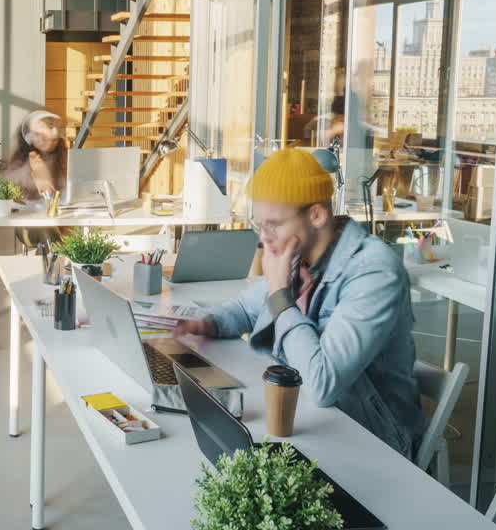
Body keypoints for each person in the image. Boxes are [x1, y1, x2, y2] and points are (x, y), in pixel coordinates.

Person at [174, 148, 425, 457]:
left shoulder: (374, 272)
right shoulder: (299, 253)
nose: (264, 238)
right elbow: (243, 310)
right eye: (259, 225)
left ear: (317, 215)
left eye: (273, 224)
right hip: (305, 418)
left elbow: (321, 385)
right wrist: (203, 323)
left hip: (369, 436)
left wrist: (281, 295)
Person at [0, 109, 68, 201]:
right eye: (37, 135)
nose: (41, 140)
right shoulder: (24, 161)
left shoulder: (63, 157)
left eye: (53, 140)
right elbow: (0, 187)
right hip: (26, 209)